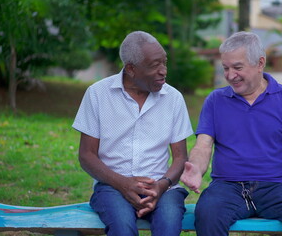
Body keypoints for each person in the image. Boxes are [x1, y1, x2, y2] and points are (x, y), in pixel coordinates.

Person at [181, 31, 282, 236]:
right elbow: (203, 145)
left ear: (260, 63)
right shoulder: (215, 100)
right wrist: (196, 168)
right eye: (226, 68)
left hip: (277, 186)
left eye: (237, 67)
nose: (230, 75)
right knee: (207, 214)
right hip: (227, 187)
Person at [72, 31, 193, 236]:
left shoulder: (174, 98)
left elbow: (181, 157)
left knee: (169, 223)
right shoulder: (97, 94)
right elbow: (86, 155)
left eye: (164, 63)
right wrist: (123, 184)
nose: (163, 71)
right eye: (155, 65)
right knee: (122, 227)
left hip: (163, 188)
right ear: (131, 69)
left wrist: (161, 186)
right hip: (112, 186)